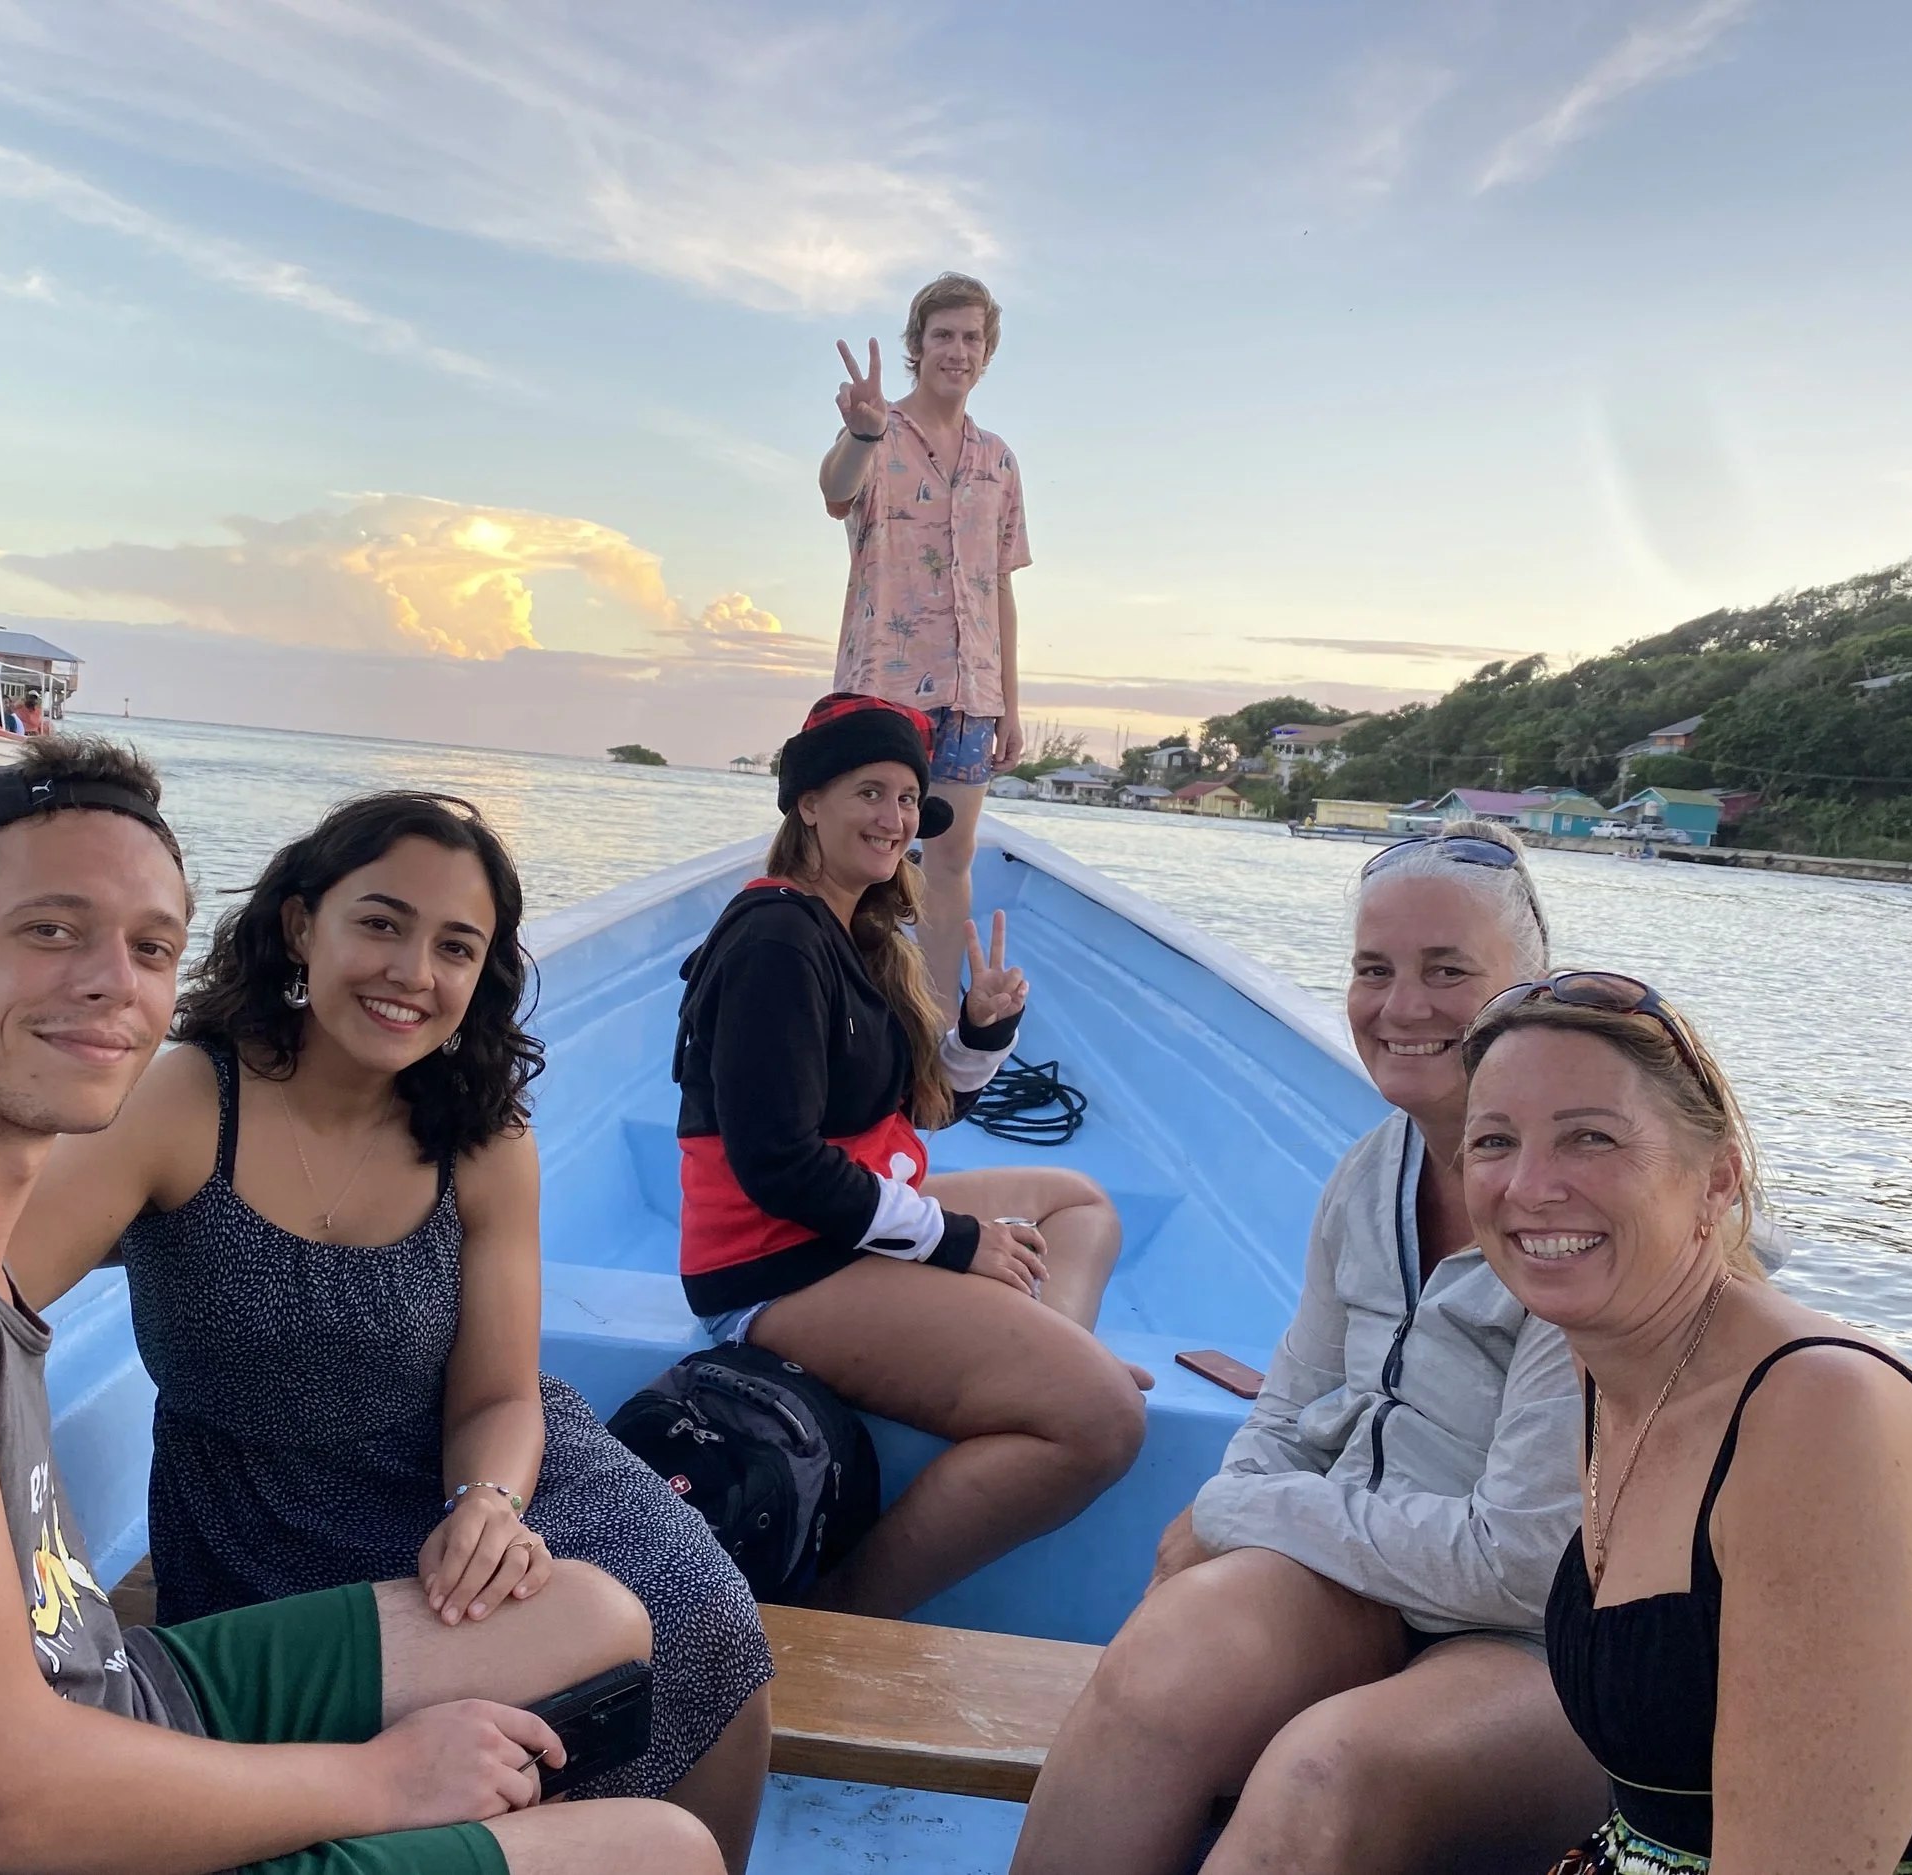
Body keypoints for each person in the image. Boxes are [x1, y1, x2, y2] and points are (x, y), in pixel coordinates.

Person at [0, 737, 719, 1875]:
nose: (109, 984)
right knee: (659, 1851)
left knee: (593, 1613)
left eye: (148, 949)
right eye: (49, 929)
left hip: (97, 1694)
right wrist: (383, 1782)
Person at [10, 791, 773, 1874]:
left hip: (477, 1471)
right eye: (380, 923)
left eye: (454, 947)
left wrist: (490, 1506)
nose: (413, 971)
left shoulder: (481, 1138)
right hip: (261, 1507)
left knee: (705, 1616)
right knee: (524, 1673)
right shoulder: (187, 1100)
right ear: (299, 927)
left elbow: (501, 1397)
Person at [1012, 824, 1608, 1875]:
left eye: (1448, 971)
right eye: (1373, 971)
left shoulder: (1578, 1214)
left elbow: (1522, 1566)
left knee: (1322, 1768)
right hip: (1366, 1586)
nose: (1402, 1007)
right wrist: (1232, 1528)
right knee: (1162, 1667)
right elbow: (1285, 1415)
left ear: (1531, 984)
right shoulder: (1369, 1174)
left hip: (1542, 1649)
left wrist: (1240, 1514)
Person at [1457, 972, 1912, 1874]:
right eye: (1495, 1141)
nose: (1529, 1186)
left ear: (1716, 1178)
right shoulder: (1612, 1368)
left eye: (1591, 1138)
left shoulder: (1820, 1421)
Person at [676, 692, 1146, 1618]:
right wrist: (957, 1241)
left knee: (1079, 1202)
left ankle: (1048, 1349)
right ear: (806, 802)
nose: (895, 820)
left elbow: (922, 1110)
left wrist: (983, 1029)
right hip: (777, 1264)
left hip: (847, 1222)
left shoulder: (851, 932)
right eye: (871, 792)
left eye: (907, 799)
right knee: (1101, 1422)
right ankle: (845, 1615)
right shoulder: (776, 939)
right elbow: (781, 1165)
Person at [821, 271, 1031, 1015]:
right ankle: (832, 1013)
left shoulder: (1000, 461)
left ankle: (934, 1030)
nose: (958, 350)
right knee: (857, 861)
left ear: (987, 352)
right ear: (918, 346)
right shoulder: (878, 434)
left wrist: (1009, 701)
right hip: (883, 689)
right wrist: (863, 431)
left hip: (972, 697)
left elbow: (999, 585)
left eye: (972, 337)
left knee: (950, 861)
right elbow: (834, 490)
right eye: (943, 335)